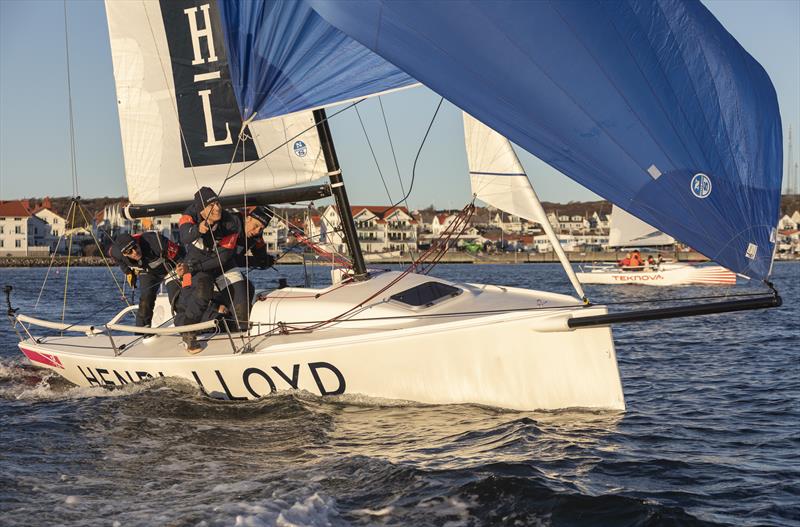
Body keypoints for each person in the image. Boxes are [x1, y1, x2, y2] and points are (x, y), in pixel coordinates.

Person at [177, 187, 240, 353]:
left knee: (243, 294)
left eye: (218, 203)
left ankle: (236, 331)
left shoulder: (231, 223)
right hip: (195, 263)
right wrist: (198, 229)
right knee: (200, 289)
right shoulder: (188, 216)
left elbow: (224, 257)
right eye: (212, 205)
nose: (217, 208)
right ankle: (189, 332)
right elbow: (184, 236)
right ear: (201, 210)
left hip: (220, 264)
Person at [213, 206, 276, 329]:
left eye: (261, 228)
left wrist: (266, 260)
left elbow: (260, 256)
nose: (257, 231)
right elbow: (229, 258)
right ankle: (237, 326)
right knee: (241, 292)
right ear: (248, 218)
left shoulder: (256, 235)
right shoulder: (231, 224)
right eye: (256, 226)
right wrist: (254, 261)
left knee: (249, 287)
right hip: (214, 266)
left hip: (228, 268)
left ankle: (235, 322)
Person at [110, 232, 185, 327]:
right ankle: (142, 333)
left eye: (135, 247)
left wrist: (183, 267)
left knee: (175, 299)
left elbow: (181, 254)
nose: (134, 252)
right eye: (129, 252)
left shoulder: (155, 241)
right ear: (124, 254)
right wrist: (128, 272)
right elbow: (118, 259)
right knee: (145, 300)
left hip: (171, 267)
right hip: (149, 271)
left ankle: (186, 328)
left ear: (137, 243)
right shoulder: (116, 252)